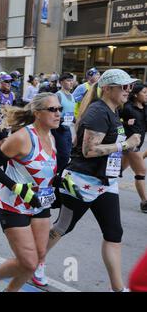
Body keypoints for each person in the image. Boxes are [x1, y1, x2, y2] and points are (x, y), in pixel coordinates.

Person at [37, 69, 140, 292]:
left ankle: (118, 288)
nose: (128, 91)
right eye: (124, 86)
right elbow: (89, 150)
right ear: (108, 88)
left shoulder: (114, 111)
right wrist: (125, 144)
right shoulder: (98, 111)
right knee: (63, 226)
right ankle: (35, 262)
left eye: (130, 86)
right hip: (81, 182)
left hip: (106, 182)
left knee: (114, 234)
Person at [0, 92, 63, 292]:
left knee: (38, 256)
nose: (58, 113)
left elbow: (46, 169)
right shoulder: (22, 138)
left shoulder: (51, 136)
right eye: (52, 109)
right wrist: (18, 188)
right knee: (28, 262)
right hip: (14, 205)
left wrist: (62, 183)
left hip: (40, 203)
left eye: (60, 109)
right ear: (37, 113)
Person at [120, 83, 147, 213]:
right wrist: (124, 122)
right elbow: (113, 119)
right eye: (145, 93)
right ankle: (145, 201)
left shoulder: (145, 108)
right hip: (129, 144)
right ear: (136, 94)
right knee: (141, 172)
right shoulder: (127, 108)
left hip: (137, 145)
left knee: (118, 169)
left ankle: (102, 179)